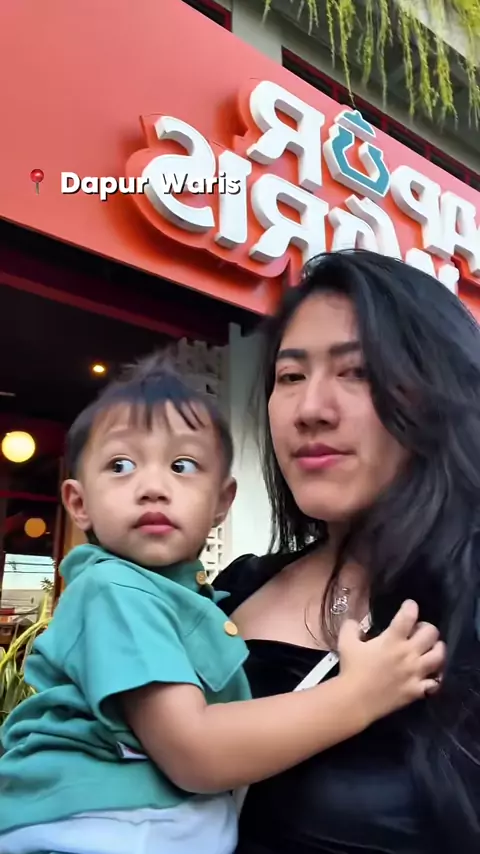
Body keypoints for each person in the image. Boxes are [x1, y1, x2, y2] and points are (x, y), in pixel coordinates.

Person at [0, 353, 443, 854]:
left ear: (221, 502)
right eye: (121, 466)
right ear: (79, 503)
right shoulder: (115, 591)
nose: (152, 488)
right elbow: (195, 751)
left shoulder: (193, 596)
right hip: (93, 833)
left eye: (182, 466)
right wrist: (360, 694)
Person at [214, 248, 480, 854]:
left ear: (439, 393)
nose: (311, 409)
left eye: (356, 371)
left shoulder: (469, 601)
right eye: (290, 376)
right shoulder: (233, 589)